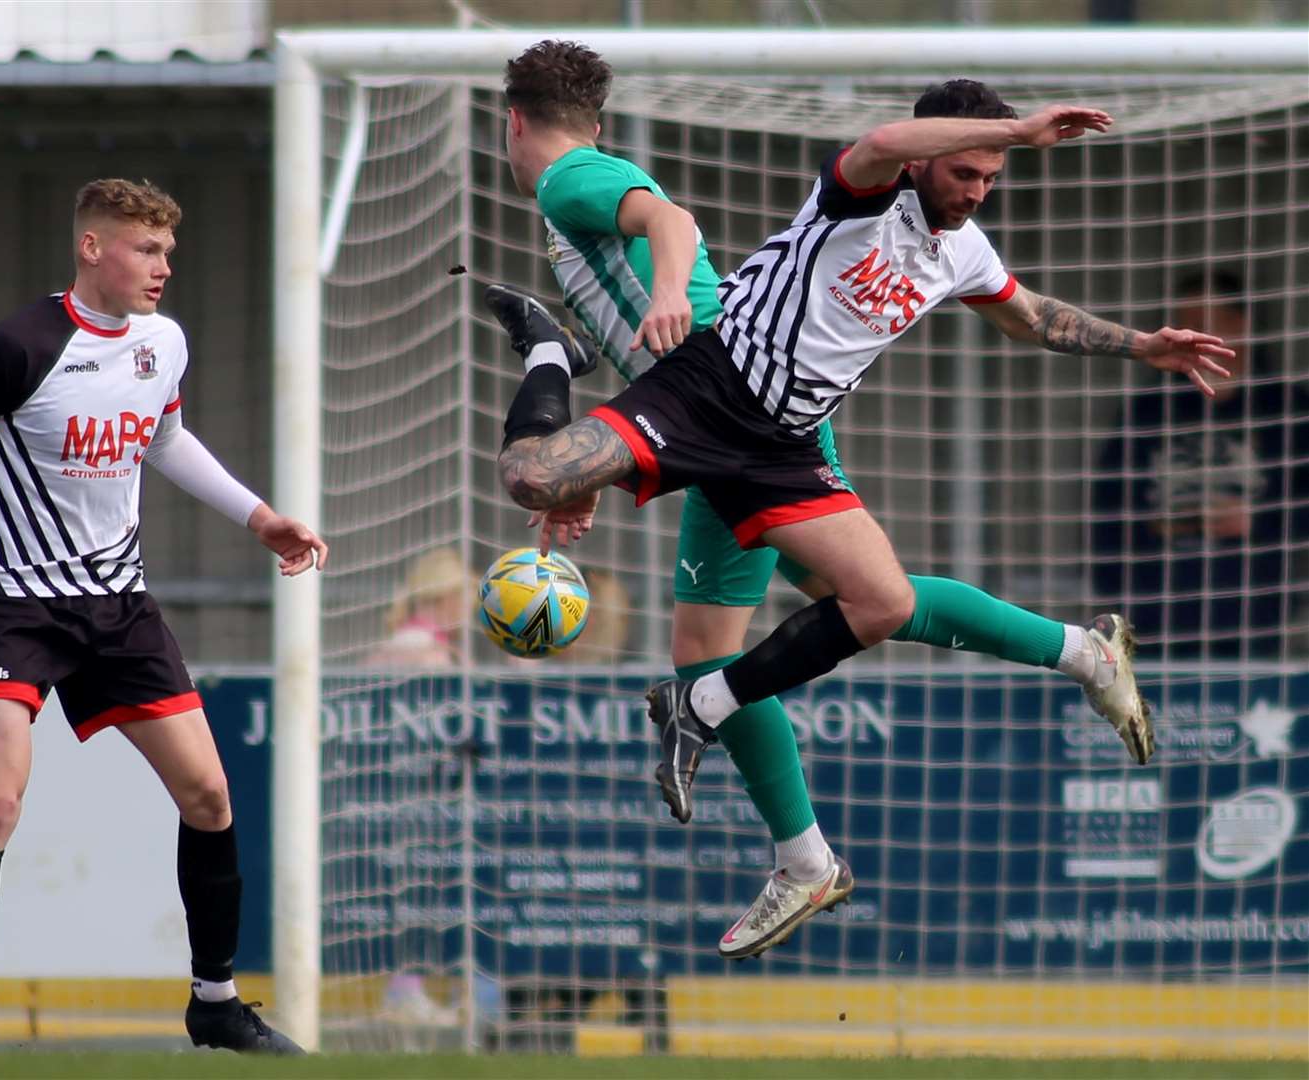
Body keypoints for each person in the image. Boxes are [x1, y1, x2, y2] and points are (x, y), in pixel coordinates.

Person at [489, 52, 1233, 958]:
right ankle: (1076, 656)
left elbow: (1032, 316)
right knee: (613, 539)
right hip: (710, 394)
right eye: (965, 170)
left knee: (831, 619)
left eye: (991, 179)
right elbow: (874, 141)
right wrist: (1015, 127)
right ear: (924, 159)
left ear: (516, 120)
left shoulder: (960, 247)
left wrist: (1141, 345)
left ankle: (778, 802)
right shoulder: (866, 193)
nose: (976, 191)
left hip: (781, 438)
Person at [0, 178, 326, 1055]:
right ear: (93, 248)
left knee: (207, 793)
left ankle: (215, 1001)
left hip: (119, 607)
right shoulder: (15, 346)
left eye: (168, 250)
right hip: (14, 609)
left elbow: (163, 438)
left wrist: (258, 516)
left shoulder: (163, 342)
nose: (163, 267)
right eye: (145, 249)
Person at [1092, 268, 1309, 659]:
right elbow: (1110, 508)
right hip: (1159, 613)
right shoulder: (1149, 411)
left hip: (1257, 613)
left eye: (1201, 325)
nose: (1189, 339)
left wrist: (1258, 521)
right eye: (1182, 328)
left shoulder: (1286, 409)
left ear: (1240, 325)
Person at [367, 546, 470, 668]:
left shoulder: (400, 641)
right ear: (449, 598)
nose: (467, 609)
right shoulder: (431, 652)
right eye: (464, 599)